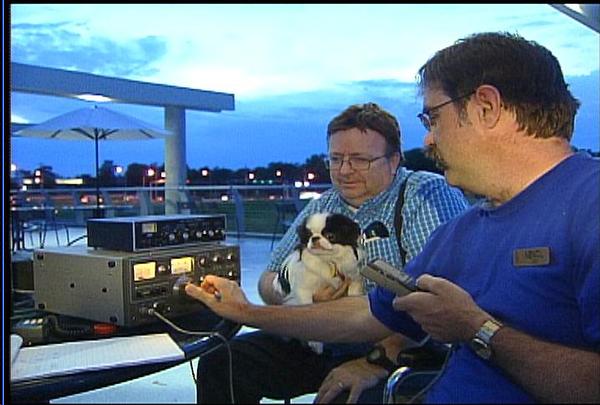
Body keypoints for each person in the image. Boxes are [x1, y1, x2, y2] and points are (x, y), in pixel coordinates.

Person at [188, 32, 600, 402]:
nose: (429, 138)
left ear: (486, 107)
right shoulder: (467, 229)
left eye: (433, 117)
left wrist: (479, 330)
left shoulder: (589, 206)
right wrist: (247, 313)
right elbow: (369, 314)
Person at [194, 102, 469, 403]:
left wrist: (375, 361)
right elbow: (267, 279)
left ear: (394, 161)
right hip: (325, 338)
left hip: (400, 345)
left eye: (360, 160)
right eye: (336, 159)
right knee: (221, 362)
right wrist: (303, 294)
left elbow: (436, 299)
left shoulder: (423, 193)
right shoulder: (324, 205)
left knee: (344, 397)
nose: (344, 170)